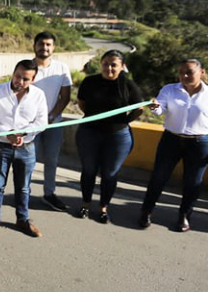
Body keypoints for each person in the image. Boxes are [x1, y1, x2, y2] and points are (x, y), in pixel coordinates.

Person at [139, 59, 208, 232]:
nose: (184, 76)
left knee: (193, 182)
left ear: (202, 72)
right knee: (158, 177)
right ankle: (146, 211)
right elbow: (160, 110)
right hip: (171, 139)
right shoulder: (170, 89)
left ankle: (184, 216)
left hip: (199, 143)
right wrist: (155, 108)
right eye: (181, 72)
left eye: (189, 72)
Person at [75, 50, 144, 223]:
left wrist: (123, 121)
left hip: (117, 136)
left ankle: (103, 207)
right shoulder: (90, 81)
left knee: (110, 173)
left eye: (114, 64)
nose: (109, 68)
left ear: (122, 66)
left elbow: (139, 108)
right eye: (106, 63)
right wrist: (95, 118)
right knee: (89, 170)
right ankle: (85, 204)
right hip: (89, 133)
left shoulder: (128, 86)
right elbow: (82, 103)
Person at [0, 60, 47, 238]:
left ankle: (23, 220)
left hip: (26, 148)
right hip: (0, 146)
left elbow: (42, 122)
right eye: (18, 76)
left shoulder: (39, 95)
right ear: (13, 73)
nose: (20, 81)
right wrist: (7, 133)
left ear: (32, 80)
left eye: (25, 79)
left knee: (24, 187)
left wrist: (24, 133)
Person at [31, 31, 73, 212]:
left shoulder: (62, 68)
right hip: (30, 124)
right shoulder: (26, 66)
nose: (44, 48)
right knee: (28, 161)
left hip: (53, 123)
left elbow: (65, 97)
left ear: (53, 47)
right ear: (35, 46)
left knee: (51, 160)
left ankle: (49, 193)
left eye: (48, 44)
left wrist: (51, 116)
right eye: (41, 44)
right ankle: (23, 193)